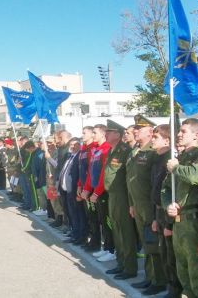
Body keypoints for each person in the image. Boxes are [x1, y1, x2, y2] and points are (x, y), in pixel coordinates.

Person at [166, 119, 198, 298]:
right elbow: (166, 188)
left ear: (196, 135)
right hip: (179, 223)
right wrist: (168, 204)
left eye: (183, 131)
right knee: (183, 271)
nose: (179, 134)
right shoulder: (180, 158)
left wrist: (176, 168)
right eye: (179, 131)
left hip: (194, 222)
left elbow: (195, 176)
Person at [127, 114, 166, 295]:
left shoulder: (153, 152)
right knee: (146, 243)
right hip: (138, 204)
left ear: (150, 132)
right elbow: (131, 180)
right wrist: (132, 204)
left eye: (138, 128)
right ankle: (150, 277)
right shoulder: (137, 150)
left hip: (150, 206)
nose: (135, 131)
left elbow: (155, 182)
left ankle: (158, 281)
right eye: (135, 128)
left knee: (153, 245)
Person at [104, 120, 138, 279]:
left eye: (109, 132)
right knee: (117, 230)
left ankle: (130, 268)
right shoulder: (113, 150)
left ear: (117, 134)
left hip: (123, 196)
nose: (106, 134)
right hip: (112, 195)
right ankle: (121, 263)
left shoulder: (125, 151)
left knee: (126, 232)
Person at [151, 124, 182, 298]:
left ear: (167, 140)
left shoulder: (170, 161)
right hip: (159, 211)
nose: (152, 140)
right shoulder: (157, 159)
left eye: (156, 137)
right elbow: (155, 191)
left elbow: (172, 193)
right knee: (163, 252)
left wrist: (169, 223)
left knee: (171, 255)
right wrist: (156, 217)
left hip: (168, 213)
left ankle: (175, 290)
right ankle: (169, 286)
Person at [82, 124, 115, 261]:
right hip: (96, 191)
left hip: (103, 192)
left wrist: (97, 192)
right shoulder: (97, 150)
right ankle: (106, 247)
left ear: (103, 134)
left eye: (95, 132)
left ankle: (112, 250)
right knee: (101, 220)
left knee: (107, 222)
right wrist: (87, 189)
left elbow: (104, 174)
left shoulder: (107, 149)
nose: (93, 135)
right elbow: (91, 172)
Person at [59, 138, 86, 244]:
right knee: (72, 213)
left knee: (78, 214)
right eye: (70, 144)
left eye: (75, 144)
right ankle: (74, 233)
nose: (72, 146)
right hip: (67, 190)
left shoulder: (79, 156)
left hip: (75, 190)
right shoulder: (70, 156)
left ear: (80, 145)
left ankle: (80, 236)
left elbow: (79, 174)